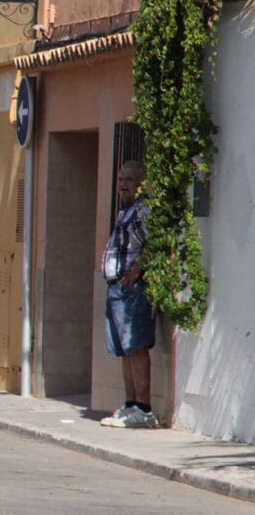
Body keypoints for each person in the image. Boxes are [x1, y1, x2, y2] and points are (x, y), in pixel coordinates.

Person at [100, 160, 159, 428]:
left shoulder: (142, 211)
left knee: (136, 348)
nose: (123, 184)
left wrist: (137, 270)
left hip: (132, 291)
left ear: (140, 183)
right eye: (120, 178)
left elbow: (155, 241)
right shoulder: (125, 212)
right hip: (117, 290)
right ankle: (130, 405)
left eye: (129, 179)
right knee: (124, 350)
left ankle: (144, 409)